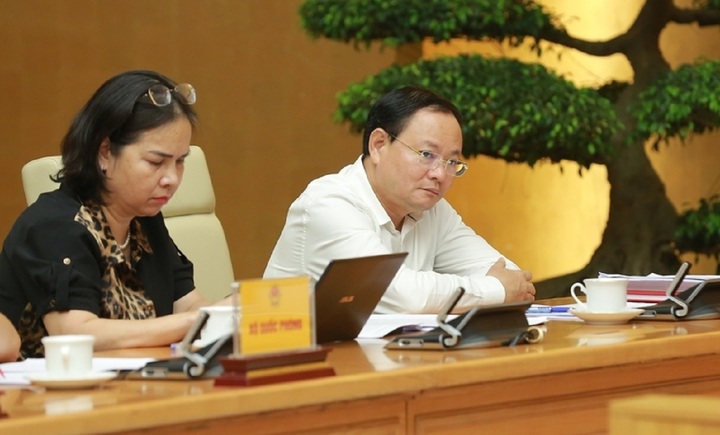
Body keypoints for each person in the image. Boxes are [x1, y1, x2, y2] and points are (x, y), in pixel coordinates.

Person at [0, 70, 228, 359]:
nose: (171, 178)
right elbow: (76, 333)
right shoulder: (55, 225)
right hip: (38, 397)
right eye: (156, 161)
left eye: (180, 161)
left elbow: (188, 305)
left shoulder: (144, 219)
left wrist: (231, 311)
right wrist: (198, 320)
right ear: (105, 152)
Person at [264, 86, 535, 314]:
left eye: (452, 161)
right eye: (427, 154)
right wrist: (494, 290)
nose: (440, 174)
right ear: (379, 145)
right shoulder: (328, 203)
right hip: (302, 368)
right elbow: (398, 295)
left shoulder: (434, 211)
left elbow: (512, 277)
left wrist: (498, 287)